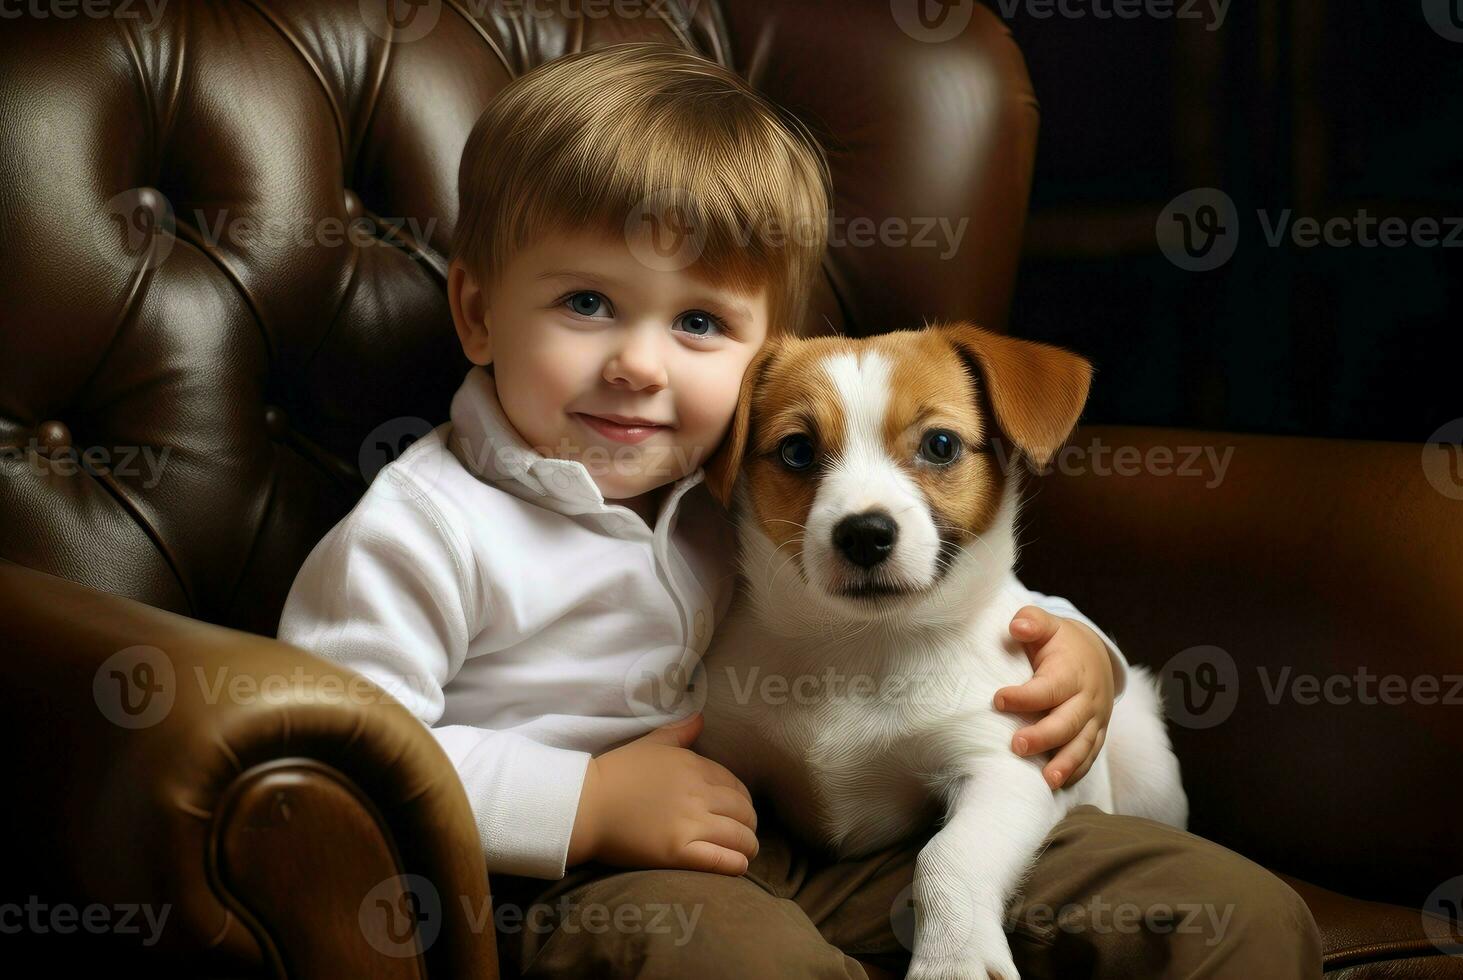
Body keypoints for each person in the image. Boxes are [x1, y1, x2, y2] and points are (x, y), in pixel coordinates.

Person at [277, 41, 1321, 979]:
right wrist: (582, 807)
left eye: (697, 321)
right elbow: (343, 758)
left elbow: (954, 597)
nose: (639, 364)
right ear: (476, 311)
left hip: (798, 847)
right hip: (558, 884)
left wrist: (1081, 653)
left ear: (762, 354)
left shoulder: (726, 484)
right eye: (586, 303)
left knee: (1239, 918)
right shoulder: (422, 526)